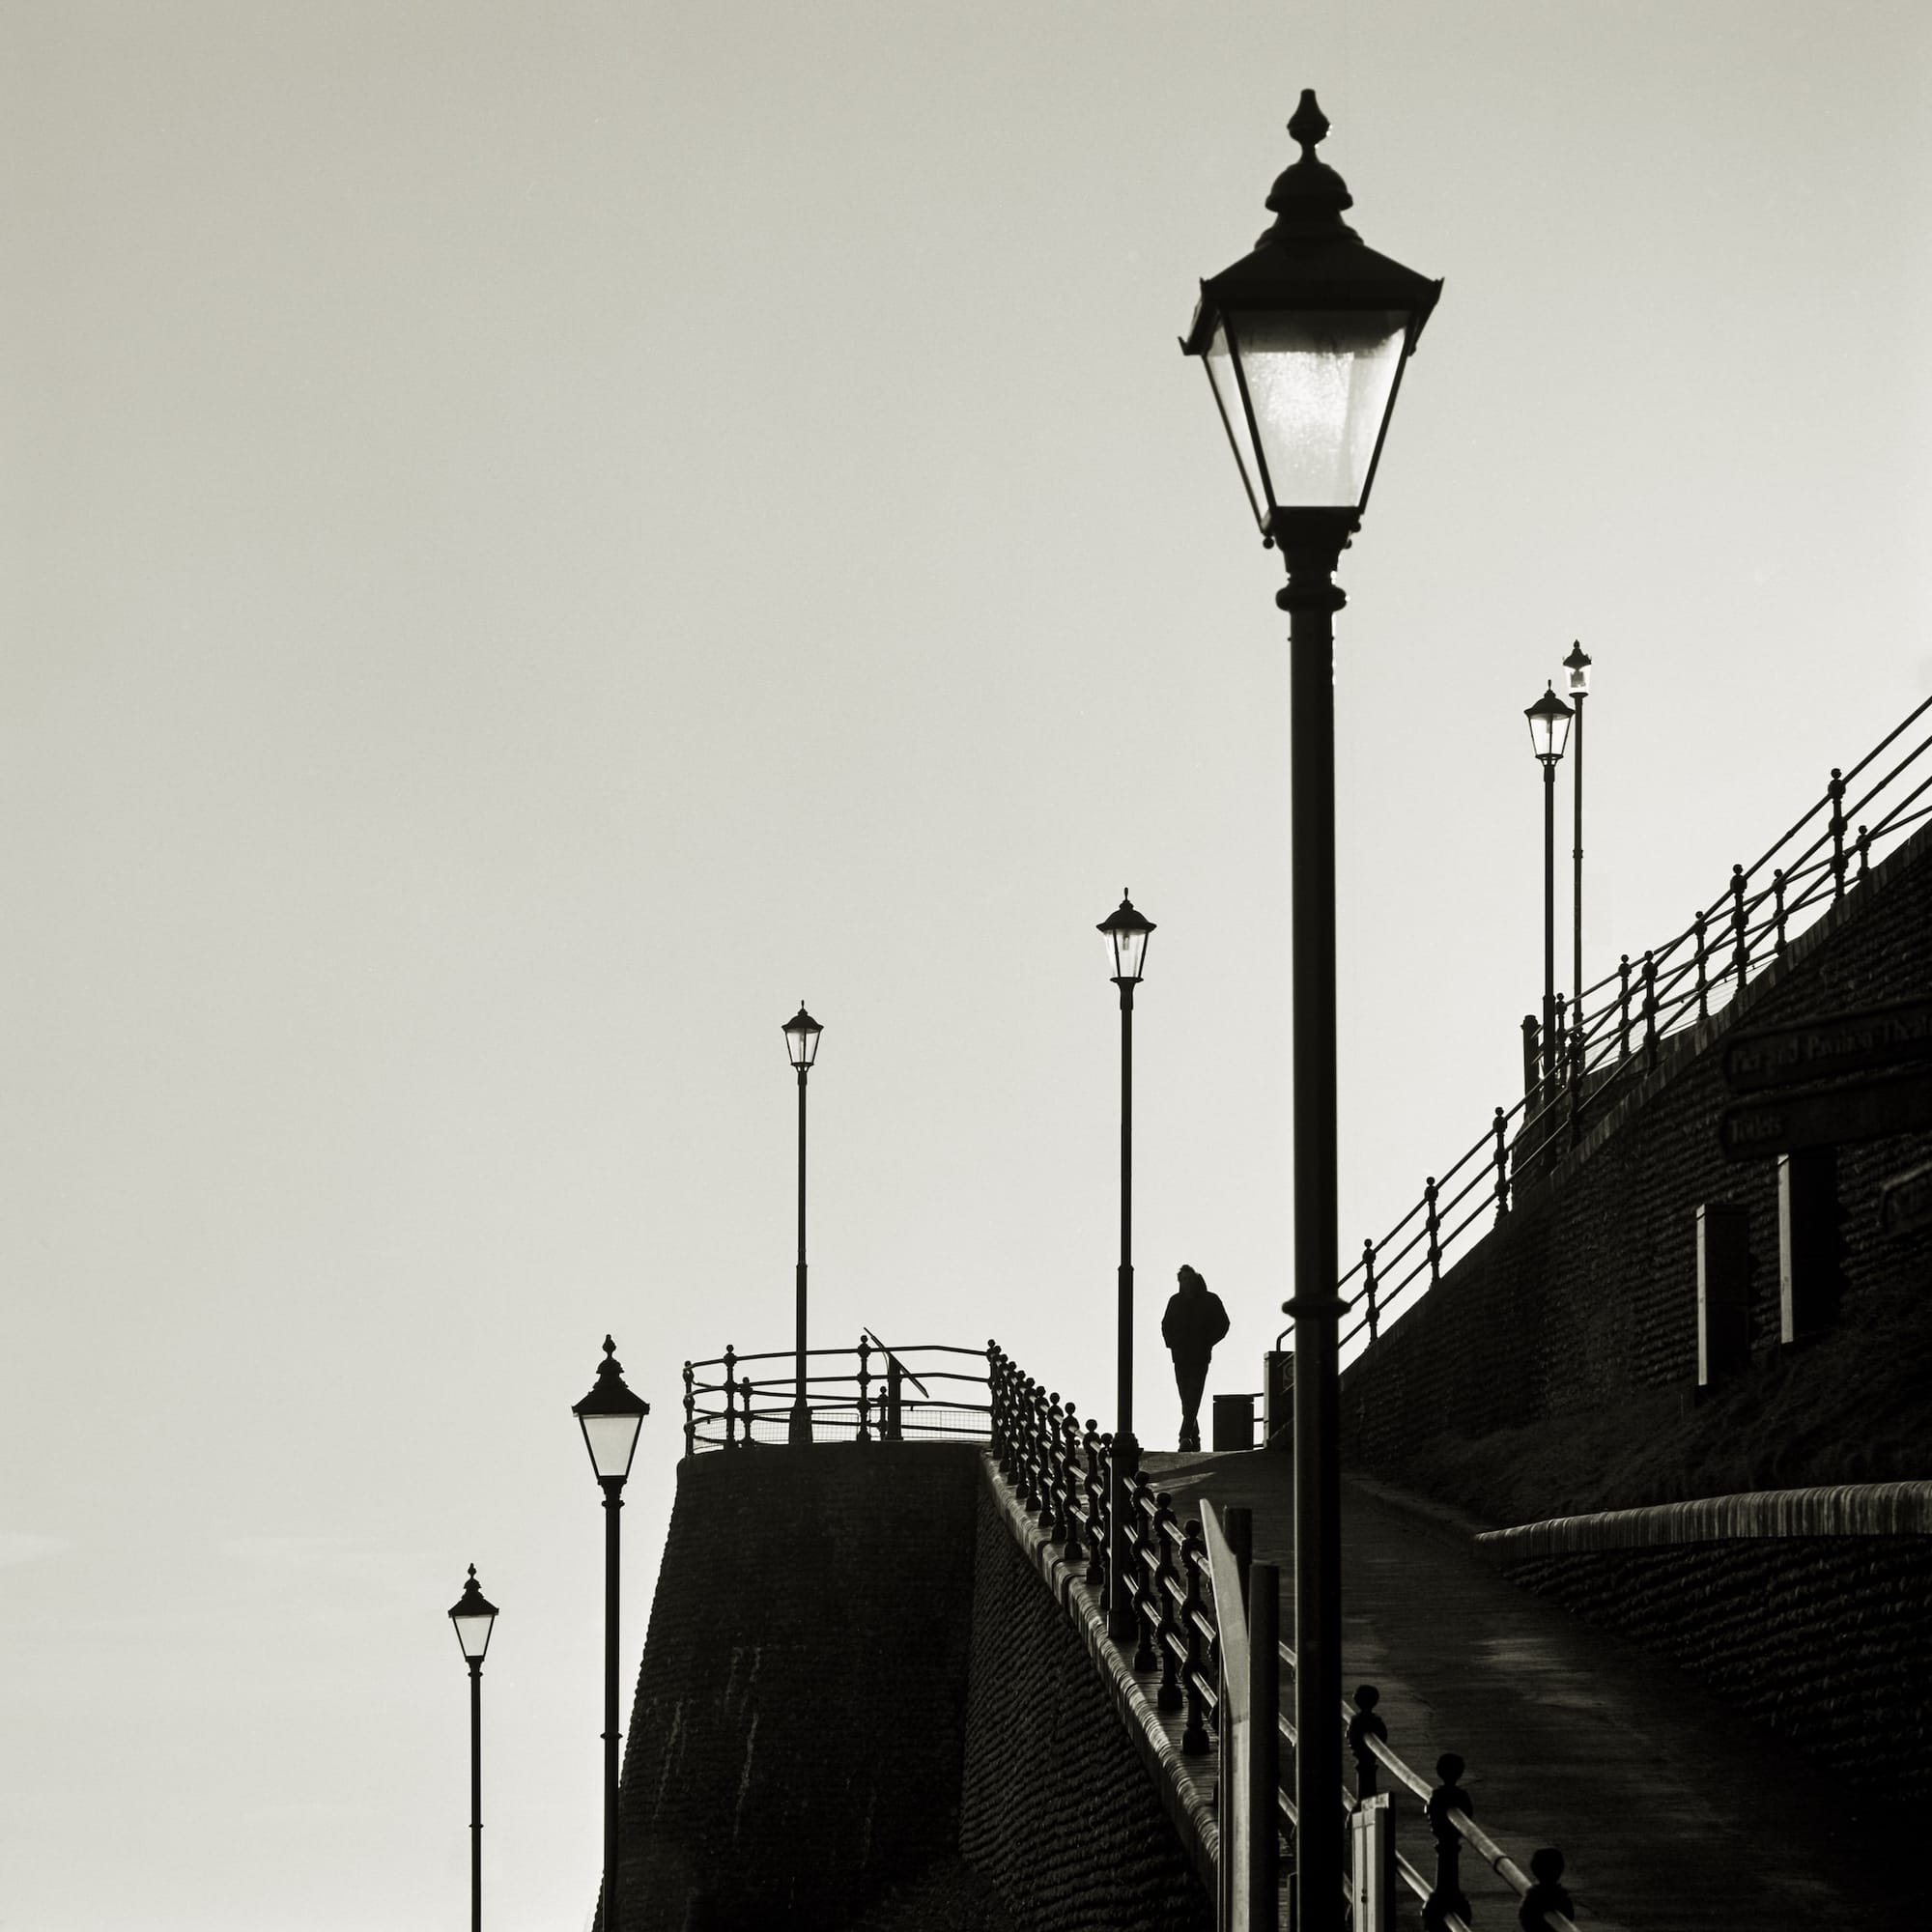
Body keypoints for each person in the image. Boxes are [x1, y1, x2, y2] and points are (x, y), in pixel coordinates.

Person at [1161, 1264, 1229, 1451]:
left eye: (1190, 1279)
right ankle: (1194, 1438)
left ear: (1196, 1279)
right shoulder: (1175, 1301)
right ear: (1180, 1282)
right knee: (1186, 1397)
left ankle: (1184, 1436)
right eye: (1183, 1279)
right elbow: (1165, 1324)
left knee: (1194, 1394)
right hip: (1180, 1355)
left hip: (1200, 1355)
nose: (1187, 1282)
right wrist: (1172, 1343)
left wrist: (1208, 1341)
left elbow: (1224, 1323)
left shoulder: (1210, 1300)